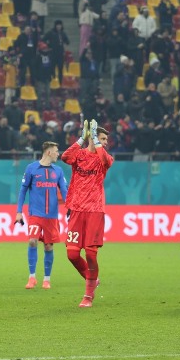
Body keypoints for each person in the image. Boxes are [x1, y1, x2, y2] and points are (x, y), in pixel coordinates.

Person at [61, 119, 113, 308]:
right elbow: (65, 157)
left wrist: (96, 142)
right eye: (102, 138)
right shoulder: (79, 155)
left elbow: (107, 161)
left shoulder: (104, 158)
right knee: (72, 254)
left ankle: (88, 296)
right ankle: (93, 280)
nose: (105, 143)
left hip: (94, 210)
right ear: (92, 137)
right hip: (76, 209)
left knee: (91, 254)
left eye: (105, 140)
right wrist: (82, 137)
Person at [15, 141, 68, 290]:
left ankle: (46, 279)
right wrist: (19, 212)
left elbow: (64, 190)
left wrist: (70, 207)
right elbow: (23, 190)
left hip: (51, 216)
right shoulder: (31, 168)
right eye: (56, 151)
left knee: (48, 246)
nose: (58, 154)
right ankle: (32, 278)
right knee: (32, 241)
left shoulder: (58, 171)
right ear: (49, 152)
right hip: (35, 214)